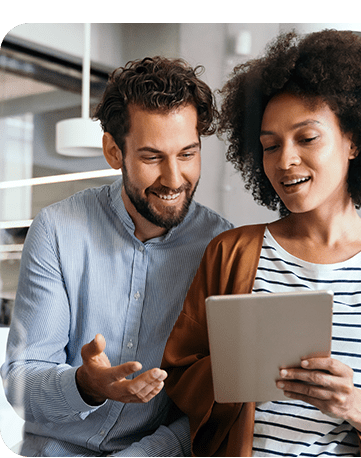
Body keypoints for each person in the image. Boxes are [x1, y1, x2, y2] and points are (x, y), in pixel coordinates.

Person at [161, 30, 361, 457]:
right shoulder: (231, 253)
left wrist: (356, 406)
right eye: (270, 146)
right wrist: (240, 367)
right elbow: (179, 373)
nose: (285, 160)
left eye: (307, 138)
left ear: (354, 141)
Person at [1, 56, 233, 457]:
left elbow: (214, 400)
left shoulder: (221, 246)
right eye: (151, 157)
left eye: (187, 154)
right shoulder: (57, 229)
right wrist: (85, 385)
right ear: (113, 151)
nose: (174, 178)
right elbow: (20, 383)